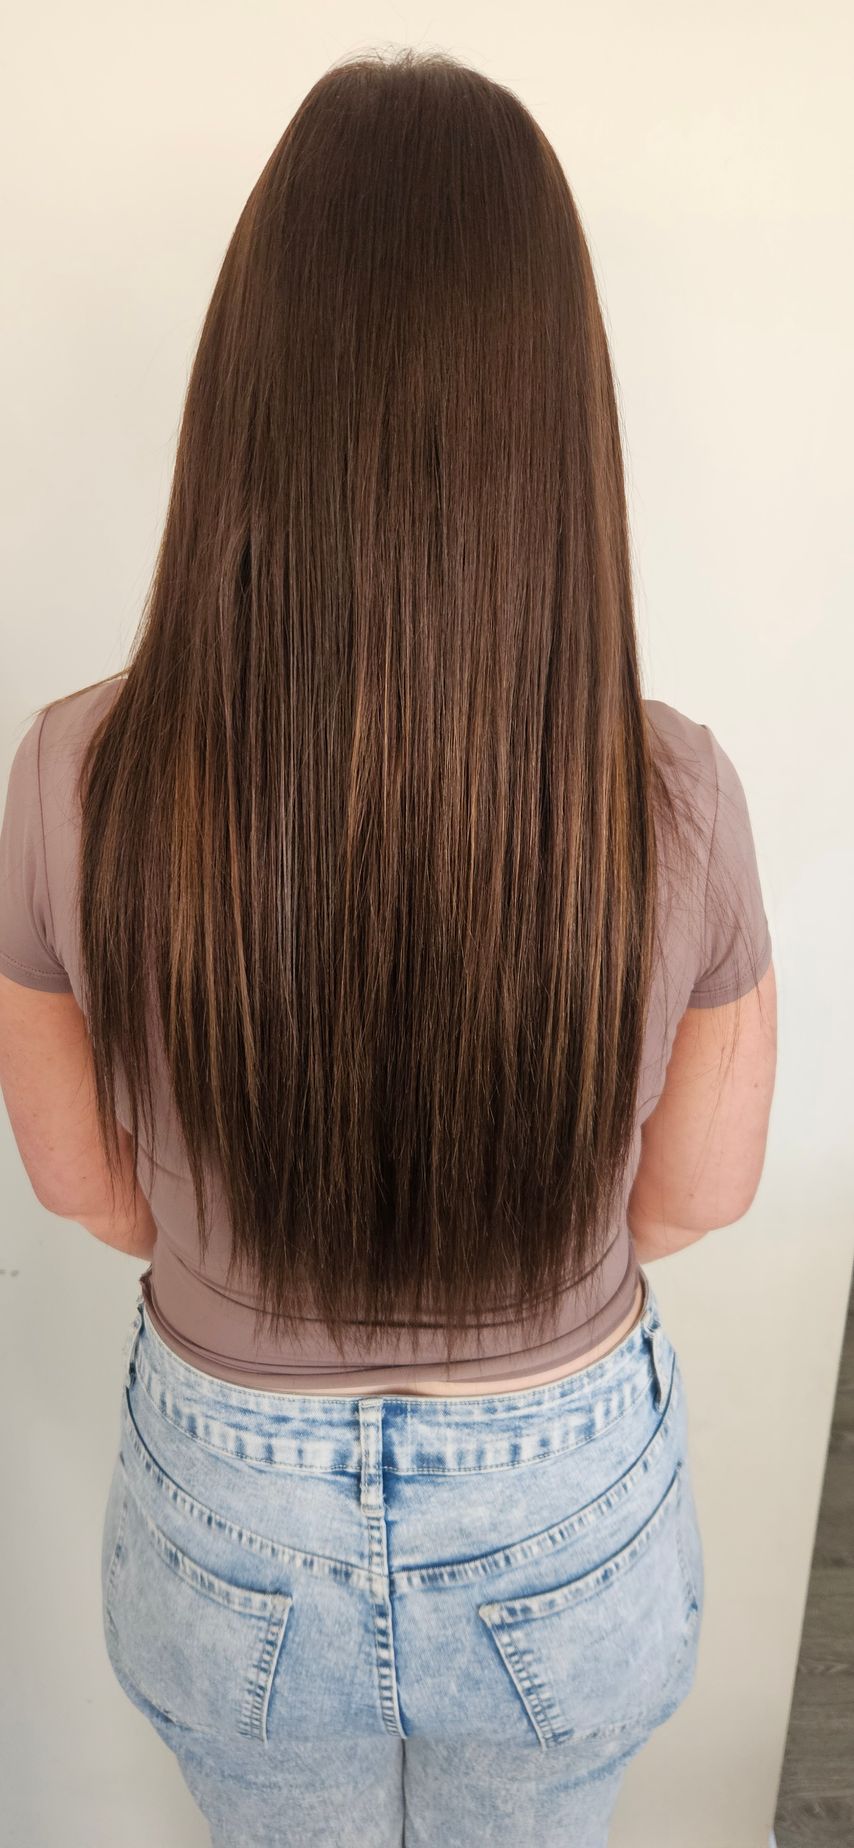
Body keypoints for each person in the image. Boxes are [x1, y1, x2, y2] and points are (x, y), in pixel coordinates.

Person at [0, 46, 777, 1847]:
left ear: (245, 387)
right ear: (553, 415)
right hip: (565, 1502)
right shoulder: (674, 796)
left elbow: (86, 1189)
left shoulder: (68, 773)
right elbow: (702, 1195)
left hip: (228, 1506)